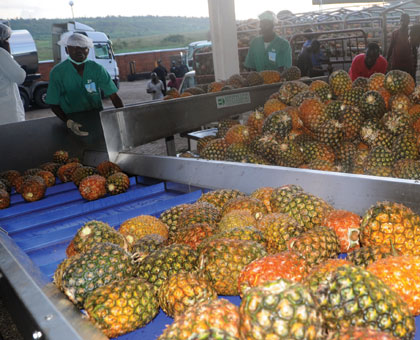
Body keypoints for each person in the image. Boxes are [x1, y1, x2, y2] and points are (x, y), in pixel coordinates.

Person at [45, 33, 123, 136]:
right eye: (74, 48)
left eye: (83, 48)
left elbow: (113, 96)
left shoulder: (96, 69)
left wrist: (123, 118)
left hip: (96, 117)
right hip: (71, 119)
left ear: (89, 49)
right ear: (66, 50)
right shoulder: (58, 72)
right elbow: (53, 103)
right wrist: (69, 122)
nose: (79, 51)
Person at [0, 23, 26, 125]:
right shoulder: (1, 53)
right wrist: (8, 54)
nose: (8, 42)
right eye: (7, 39)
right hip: (7, 114)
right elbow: (20, 77)